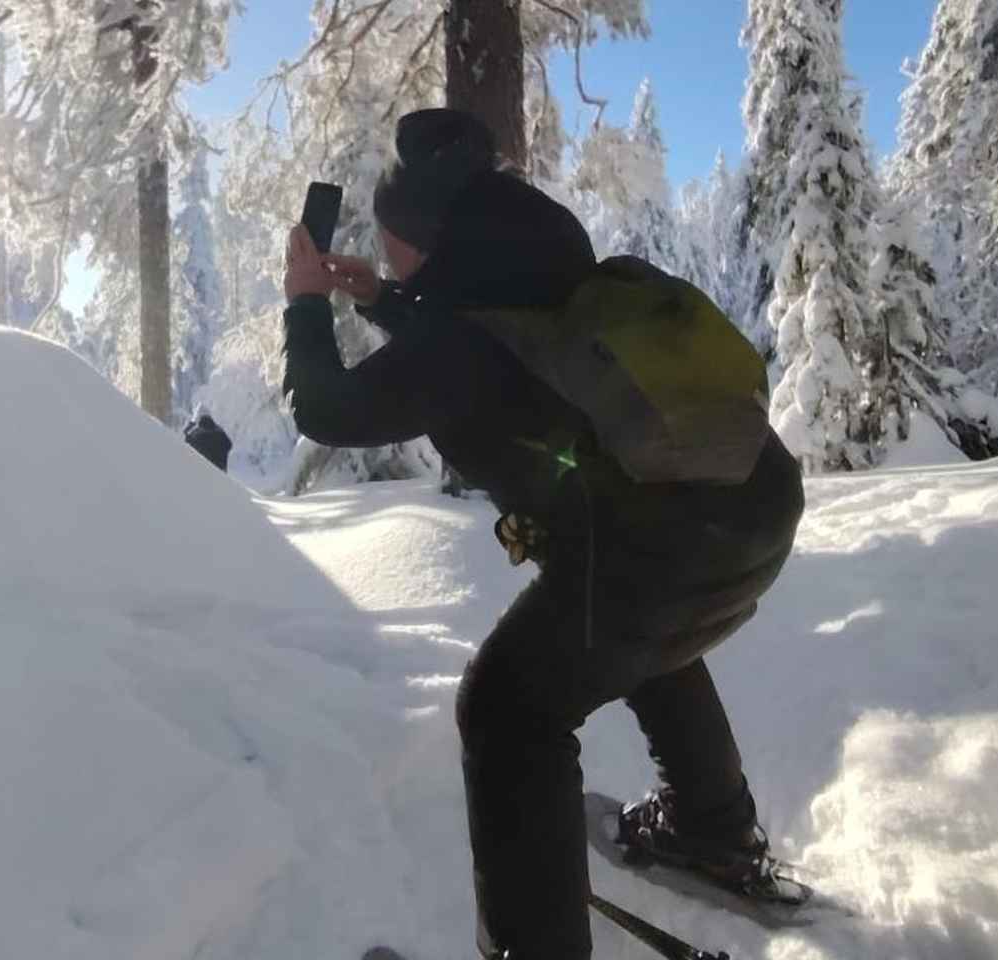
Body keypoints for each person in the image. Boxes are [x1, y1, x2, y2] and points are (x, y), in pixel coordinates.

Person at [280, 109, 804, 960]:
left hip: (658, 552)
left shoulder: (457, 333)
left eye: (388, 238)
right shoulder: (535, 266)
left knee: (505, 710)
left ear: (423, 237)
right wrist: (382, 298)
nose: (382, 249)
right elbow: (490, 349)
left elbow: (328, 408)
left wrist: (307, 307)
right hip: (756, 508)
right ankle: (714, 830)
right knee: (645, 641)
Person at [183, 407, 233, 472]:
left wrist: (189, 434)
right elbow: (229, 444)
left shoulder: (199, 434)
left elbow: (194, 446)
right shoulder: (220, 431)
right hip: (221, 469)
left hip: (207, 470)